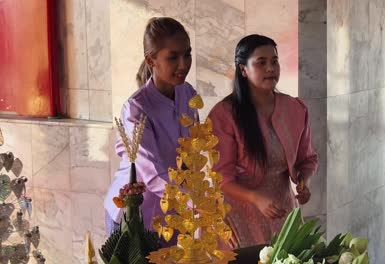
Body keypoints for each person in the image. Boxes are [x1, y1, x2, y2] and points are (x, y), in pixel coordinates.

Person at [208, 34, 318, 249]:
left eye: (274, 61)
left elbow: (308, 159)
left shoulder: (295, 108)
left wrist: (304, 181)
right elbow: (221, 177)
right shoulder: (224, 115)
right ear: (243, 70)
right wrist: (256, 198)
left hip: (281, 209)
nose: (270, 68)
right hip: (238, 213)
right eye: (261, 62)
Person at [104, 17, 196, 242]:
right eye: (173, 57)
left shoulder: (189, 94)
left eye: (187, 54)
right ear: (150, 60)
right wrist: (194, 202)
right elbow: (152, 174)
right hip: (134, 218)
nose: (183, 64)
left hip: (176, 214)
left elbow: (191, 154)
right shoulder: (136, 108)